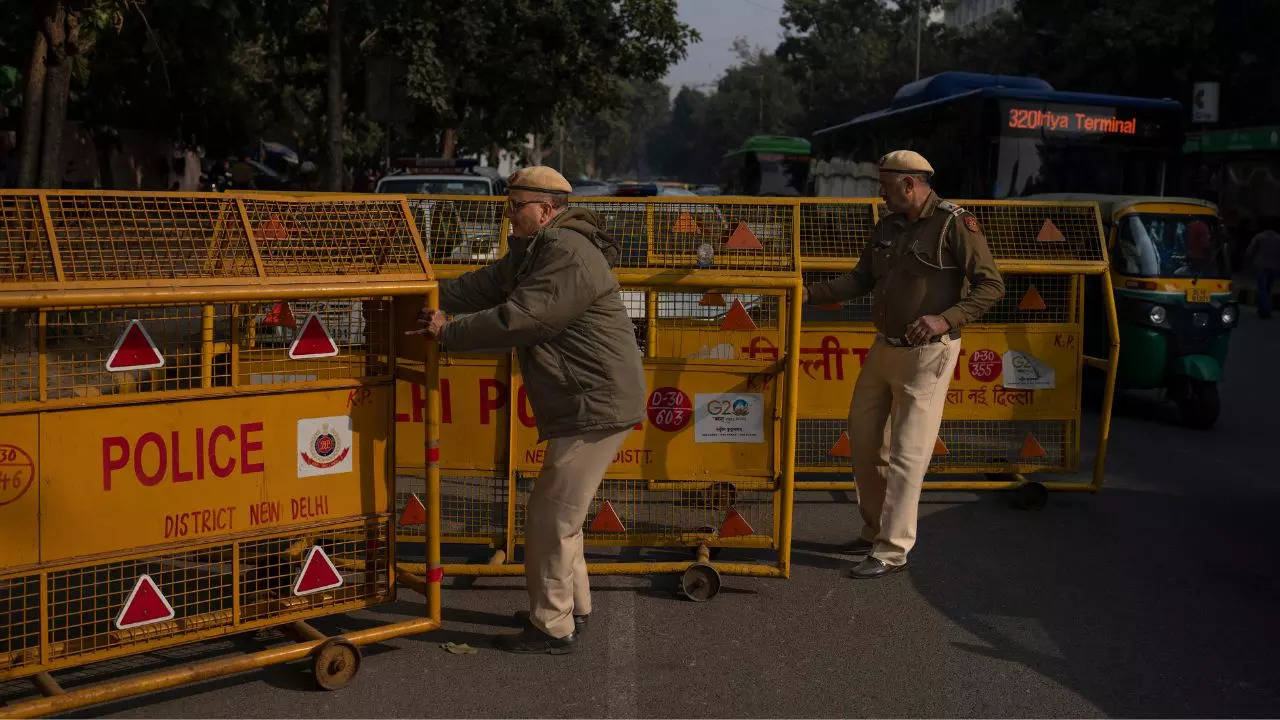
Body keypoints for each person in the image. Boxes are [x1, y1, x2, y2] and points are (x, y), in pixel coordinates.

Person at [416, 166, 645, 653]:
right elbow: (484, 285)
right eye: (507, 207)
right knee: (563, 512)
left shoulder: (565, 252)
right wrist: (425, 289)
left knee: (550, 517)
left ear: (546, 210)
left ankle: (552, 625)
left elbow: (524, 319)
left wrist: (448, 332)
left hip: (594, 403)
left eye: (516, 208)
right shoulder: (539, 249)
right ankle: (572, 608)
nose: (508, 218)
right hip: (587, 400)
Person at [803, 150, 1004, 579]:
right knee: (862, 440)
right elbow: (860, 278)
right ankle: (876, 529)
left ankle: (892, 549)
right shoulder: (888, 224)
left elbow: (992, 286)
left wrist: (943, 319)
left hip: (929, 353)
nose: (880, 192)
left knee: (908, 454)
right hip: (885, 347)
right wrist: (808, 294)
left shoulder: (954, 223)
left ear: (909, 185)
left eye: (886, 185)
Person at [1246, 218, 1280, 319]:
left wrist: (1248, 262)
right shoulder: (1278, 238)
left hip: (1261, 266)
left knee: (1262, 289)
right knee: (1268, 288)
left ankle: (1265, 309)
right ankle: (1263, 308)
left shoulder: (1259, 237)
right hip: (1275, 267)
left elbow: (1250, 251)